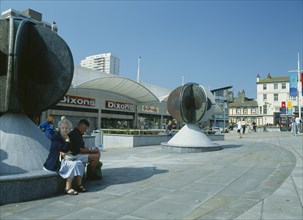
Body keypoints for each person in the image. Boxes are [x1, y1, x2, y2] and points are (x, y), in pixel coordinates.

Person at [43, 118, 86, 195]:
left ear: (69, 129)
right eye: (63, 128)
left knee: (80, 163)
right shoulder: (56, 137)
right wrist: (67, 141)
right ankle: (68, 188)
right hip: (55, 162)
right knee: (74, 164)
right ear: (59, 128)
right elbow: (63, 149)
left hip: (65, 159)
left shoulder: (70, 137)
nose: (65, 130)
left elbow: (74, 149)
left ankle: (79, 185)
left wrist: (68, 148)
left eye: (67, 128)